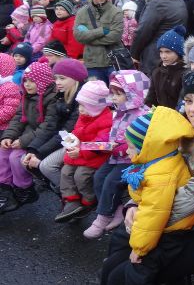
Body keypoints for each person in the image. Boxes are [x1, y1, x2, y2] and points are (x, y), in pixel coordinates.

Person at [100, 66, 194, 285]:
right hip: (164, 217)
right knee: (113, 262)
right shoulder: (178, 129)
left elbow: (191, 197)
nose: (193, 109)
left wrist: (143, 221)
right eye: (188, 100)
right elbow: (153, 169)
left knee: (125, 273)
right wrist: (133, 205)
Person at [120, 106, 194, 283]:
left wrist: (139, 248)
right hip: (164, 227)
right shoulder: (162, 159)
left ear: (148, 147)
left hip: (172, 232)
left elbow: (153, 212)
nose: (127, 151)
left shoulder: (159, 175)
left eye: (131, 147)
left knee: (139, 272)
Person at [84, 70, 151, 239]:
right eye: (112, 93)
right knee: (99, 177)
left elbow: (140, 141)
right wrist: (102, 143)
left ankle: (103, 217)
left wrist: (120, 148)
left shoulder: (142, 115)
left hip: (130, 159)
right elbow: (113, 132)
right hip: (116, 156)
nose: (113, 98)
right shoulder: (120, 110)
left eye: (118, 94)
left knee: (111, 181)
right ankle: (116, 210)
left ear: (132, 95)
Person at [0, 58, 57, 210]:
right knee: (3, 151)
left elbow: (47, 127)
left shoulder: (51, 99)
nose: (27, 84)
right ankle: (5, 188)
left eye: (32, 81)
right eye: (25, 81)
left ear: (43, 81)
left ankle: (24, 190)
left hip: (40, 138)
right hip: (28, 134)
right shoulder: (27, 96)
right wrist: (8, 136)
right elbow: (19, 117)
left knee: (16, 158)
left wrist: (23, 141)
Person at [23, 59, 87, 188]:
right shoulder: (60, 95)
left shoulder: (82, 99)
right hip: (63, 138)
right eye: (56, 78)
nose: (57, 82)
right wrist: (33, 150)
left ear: (76, 78)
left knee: (47, 166)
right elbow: (50, 127)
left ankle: (70, 193)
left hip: (76, 141)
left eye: (62, 78)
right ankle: (57, 189)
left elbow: (67, 131)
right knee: (25, 160)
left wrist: (40, 153)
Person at [55, 80, 113, 222]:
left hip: (94, 157)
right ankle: (71, 199)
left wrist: (80, 151)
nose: (80, 109)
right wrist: (71, 139)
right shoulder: (85, 116)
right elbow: (78, 131)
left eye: (85, 106)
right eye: (80, 105)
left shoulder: (107, 120)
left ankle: (89, 199)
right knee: (65, 172)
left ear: (96, 106)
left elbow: (102, 145)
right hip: (80, 152)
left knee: (81, 176)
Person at [131, 0, 188, 76]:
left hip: (155, 55)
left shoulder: (157, 3)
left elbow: (143, 31)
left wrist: (134, 54)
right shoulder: (179, 1)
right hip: (174, 53)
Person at [73, 0, 124, 84]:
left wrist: (89, 39)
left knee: (116, 93)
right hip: (92, 64)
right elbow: (78, 36)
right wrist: (101, 31)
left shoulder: (116, 12)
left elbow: (115, 36)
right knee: (96, 94)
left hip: (113, 62)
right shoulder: (82, 13)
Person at [0, 53, 25, 213]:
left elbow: (9, 110)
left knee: (3, 160)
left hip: (5, 129)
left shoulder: (10, 87)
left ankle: (5, 189)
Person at [145, 25, 187, 109]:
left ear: (179, 52)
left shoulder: (185, 73)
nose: (163, 56)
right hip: (160, 114)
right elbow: (151, 99)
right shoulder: (157, 71)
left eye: (168, 52)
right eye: (161, 52)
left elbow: (183, 102)